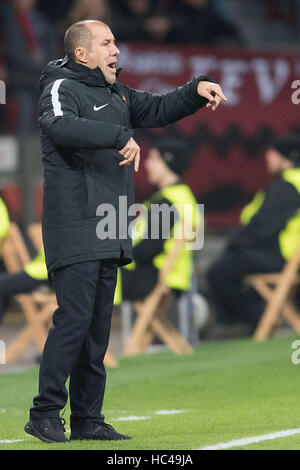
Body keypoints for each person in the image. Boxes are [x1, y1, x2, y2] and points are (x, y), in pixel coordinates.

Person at [24, 19, 227, 444]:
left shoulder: (116, 93)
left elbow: (156, 108)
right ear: (83, 54)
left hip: (110, 226)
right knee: (74, 321)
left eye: (115, 41)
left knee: (97, 330)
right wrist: (118, 135)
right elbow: (58, 126)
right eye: (107, 43)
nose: (117, 49)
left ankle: (87, 419)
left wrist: (195, 89)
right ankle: (44, 413)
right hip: (74, 223)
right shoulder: (60, 86)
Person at [206, 137, 300, 339]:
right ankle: (253, 320)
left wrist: (236, 242)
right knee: (239, 275)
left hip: (284, 256)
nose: (268, 158)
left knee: (218, 273)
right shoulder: (290, 184)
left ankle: (246, 322)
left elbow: (264, 227)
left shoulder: (287, 187)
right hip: (287, 255)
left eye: (273, 154)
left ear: (287, 159)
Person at [114, 137, 200, 304]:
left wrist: (116, 253)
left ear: (169, 162)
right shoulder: (181, 197)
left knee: (87, 272)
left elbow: (148, 249)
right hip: (168, 275)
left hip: (151, 276)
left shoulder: (168, 202)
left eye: (154, 158)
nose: (147, 164)